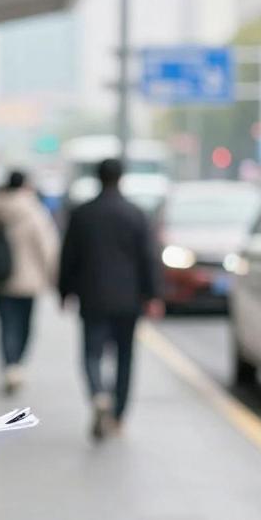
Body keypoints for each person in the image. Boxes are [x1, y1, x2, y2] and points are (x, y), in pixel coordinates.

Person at [58, 157, 163, 440]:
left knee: (91, 353)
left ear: (97, 177)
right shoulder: (136, 214)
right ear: (121, 178)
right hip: (128, 300)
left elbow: (68, 257)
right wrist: (152, 294)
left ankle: (98, 395)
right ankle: (117, 415)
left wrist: (64, 290)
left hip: (92, 297)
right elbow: (148, 258)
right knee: (125, 357)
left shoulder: (82, 214)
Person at [0, 170, 60, 394]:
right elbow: (47, 247)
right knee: (25, 325)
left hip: (2, 278)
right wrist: (54, 278)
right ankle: (17, 364)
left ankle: (9, 365)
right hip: (30, 282)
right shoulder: (35, 211)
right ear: (25, 185)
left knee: (5, 324)